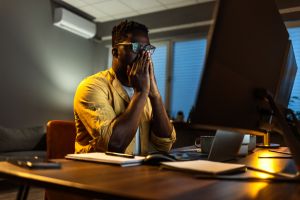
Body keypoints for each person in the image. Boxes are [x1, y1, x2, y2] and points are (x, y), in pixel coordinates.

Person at [73, 20, 176, 156]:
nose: (143, 56)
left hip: (136, 172)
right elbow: (114, 145)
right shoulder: (91, 86)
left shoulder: (146, 91)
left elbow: (165, 145)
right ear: (116, 52)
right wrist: (140, 93)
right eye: (135, 47)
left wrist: (155, 95)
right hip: (98, 173)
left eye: (147, 49)